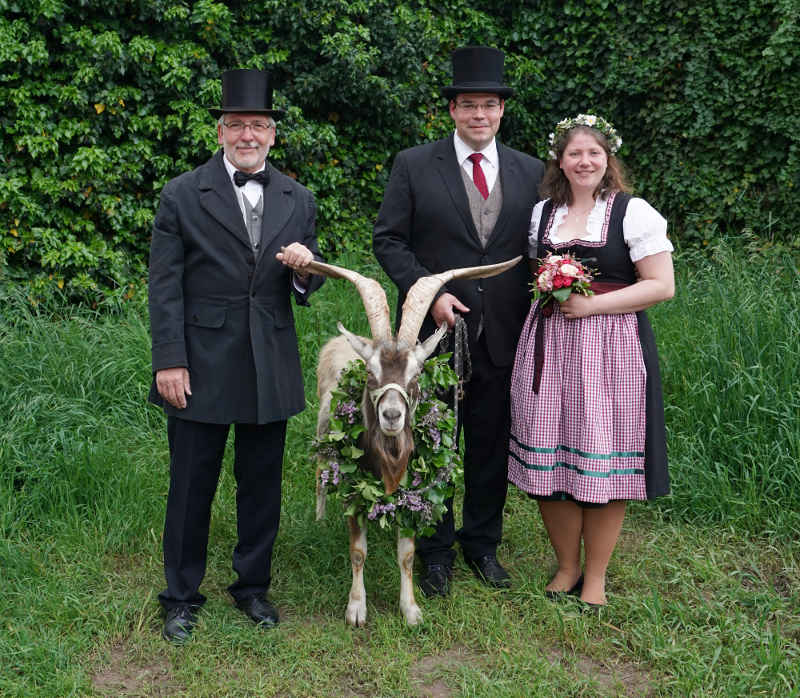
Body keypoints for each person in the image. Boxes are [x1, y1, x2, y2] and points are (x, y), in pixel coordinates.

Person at [148, 68, 324, 642]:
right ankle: (180, 595)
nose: (248, 134)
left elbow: (308, 283)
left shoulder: (299, 198)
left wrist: (304, 273)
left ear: (273, 134)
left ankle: (252, 587)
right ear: (220, 131)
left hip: (269, 359)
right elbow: (164, 285)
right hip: (199, 359)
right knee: (191, 484)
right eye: (237, 124)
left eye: (259, 125)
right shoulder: (182, 193)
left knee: (261, 483)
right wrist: (169, 359)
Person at [373, 46, 544, 596]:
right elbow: (389, 240)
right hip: (435, 337)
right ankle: (436, 550)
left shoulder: (530, 171)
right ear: (452, 110)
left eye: (488, 106)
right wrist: (434, 291)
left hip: (505, 334)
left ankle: (482, 545)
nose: (478, 115)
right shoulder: (414, 164)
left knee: (490, 443)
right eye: (467, 105)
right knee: (436, 442)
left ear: (501, 112)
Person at [508, 114, 674, 608]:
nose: (584, 162)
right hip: (548, 347)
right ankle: (566, 565)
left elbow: (661, 285)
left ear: (608, 160)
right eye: (574, 153)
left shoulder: (632, 211)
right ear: (560, 160)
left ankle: (596, 574)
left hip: (611, 351)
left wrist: (592, 304)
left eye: (594, 153)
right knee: (548, 451)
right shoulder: (542, 214)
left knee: (604, 457)